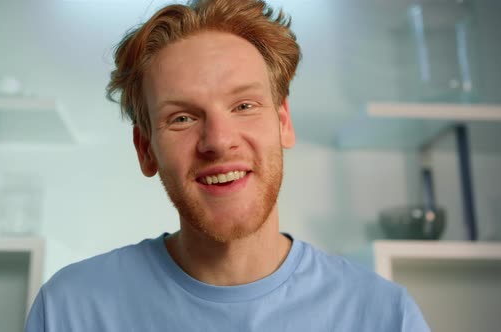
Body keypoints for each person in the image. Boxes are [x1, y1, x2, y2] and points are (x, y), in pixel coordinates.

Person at [25, 0, 430, 331]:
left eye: (244, 106)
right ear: (145, 149)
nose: (218, 140)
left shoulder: (384, 317)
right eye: (182, 117)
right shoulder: (70, 311)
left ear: (283, 122)